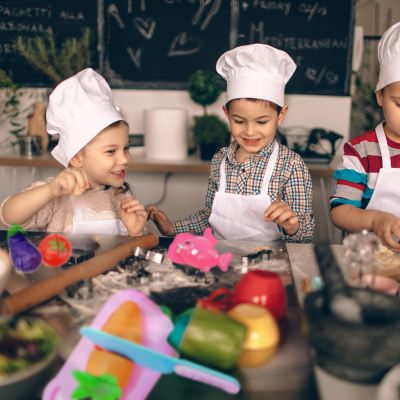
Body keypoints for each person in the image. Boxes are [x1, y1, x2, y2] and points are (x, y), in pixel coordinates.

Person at [148, 44, 314, 243]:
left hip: (270, 266)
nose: (250, 131)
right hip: (222, 260)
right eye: (239, 121)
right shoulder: (220, 160)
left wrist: (292, 226)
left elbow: (305, 236)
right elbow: (209, 218)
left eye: (262, 122)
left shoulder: (291, 165)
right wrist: (172, 228)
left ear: (281, 116)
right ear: (227, 114)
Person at [0, 68, 147, 236]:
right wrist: (50, 191)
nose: (125, 159)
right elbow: (8, 218)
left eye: (126, 148)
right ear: (77, 157)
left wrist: (135, 232)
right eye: (111, 151)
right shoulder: (58, 194)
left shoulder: (122, 196)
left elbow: (133, 253)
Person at [331, 22, 400, 251]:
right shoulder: (361, 151)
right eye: (399, 103)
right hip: (367, 262)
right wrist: (375, 220)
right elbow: (341, 212)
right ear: (380, 96)